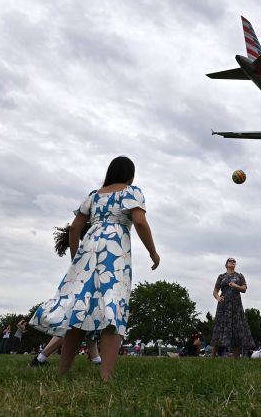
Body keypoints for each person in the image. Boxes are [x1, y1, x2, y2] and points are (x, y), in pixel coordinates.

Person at [30, 156, 160, 381]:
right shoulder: (132, 192)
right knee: (113, 305)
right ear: (130, 175)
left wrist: (76, 259)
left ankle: (62, 373)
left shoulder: (93, 195)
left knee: (79, 309)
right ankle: (106, 376)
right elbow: (139, 222)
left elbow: (74, 229)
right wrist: (153, 252)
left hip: (88, 251)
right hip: (114, 253)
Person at [31, 224, 102, 367]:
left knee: (88, 325)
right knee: (72, 326)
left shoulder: (86, 247)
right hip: (82, 292)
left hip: (82, 290)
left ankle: (96, 361)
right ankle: (39, 359)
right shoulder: (91, 247)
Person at [210, 258, 255, 358]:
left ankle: (236, 359)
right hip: (224, 306)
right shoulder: (221, 276)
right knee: (219, 328)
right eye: (230, 261)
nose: (232, 262)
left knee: (236, 329)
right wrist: (218, 298)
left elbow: (244, 289)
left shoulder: (239, 276)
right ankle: (212, 357)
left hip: (236, 306)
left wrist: (236, 286)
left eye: (234, 261)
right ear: (226, 265)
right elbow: (215, 291)